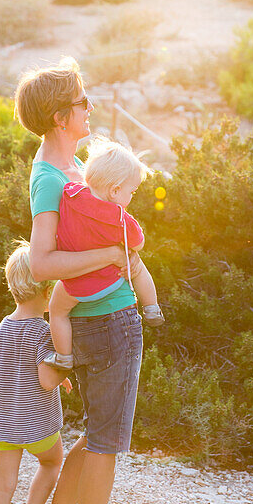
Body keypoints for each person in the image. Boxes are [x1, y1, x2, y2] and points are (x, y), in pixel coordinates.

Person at [14, 58, 143, 504]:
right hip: (108, 325)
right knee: (107, 445)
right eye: (82, 102)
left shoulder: (69, 172)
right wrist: (113, 254)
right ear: (60, 116)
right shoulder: (50, 178)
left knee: (93, 435)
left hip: (96, 324)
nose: (89, 108)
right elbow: (41, 263)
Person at [0, 242, 73, 504]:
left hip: (4, 424)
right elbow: (46, 381)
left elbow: (8, 369)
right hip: (36, 425)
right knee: (52, 463)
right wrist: (62, 370)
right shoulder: (43, 330)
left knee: (1, 486)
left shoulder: (1, 328)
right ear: (48, 289)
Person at [47, 137, 164, 370]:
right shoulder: (120, 218)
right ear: (115, 190)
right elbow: (138, 243)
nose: (131, 198)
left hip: (75, 286)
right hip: (108, 281)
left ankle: (63, 357)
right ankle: (152, 308)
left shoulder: (70, 194)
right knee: (137, 267)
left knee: (56, 311)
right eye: (132, 192)